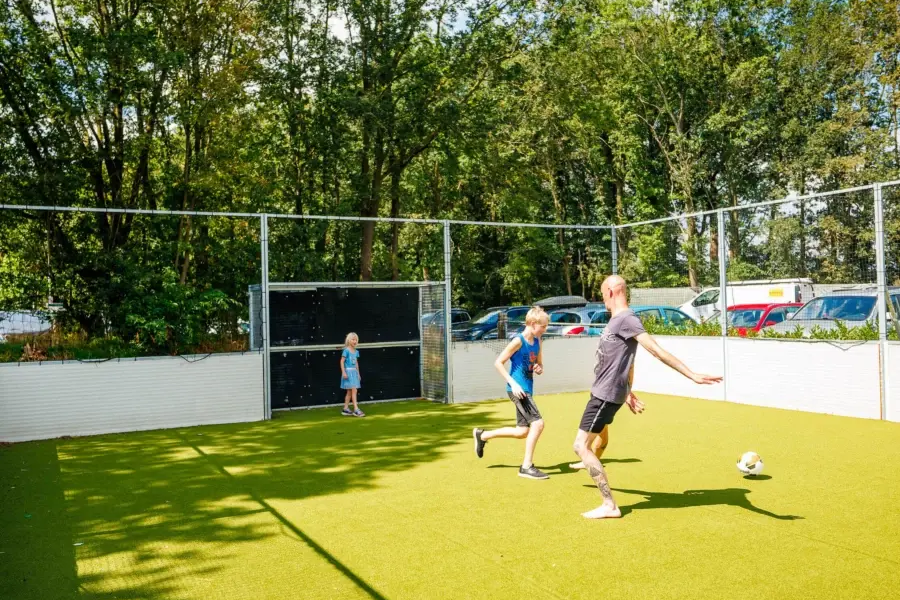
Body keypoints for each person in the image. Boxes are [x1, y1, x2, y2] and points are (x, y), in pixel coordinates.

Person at [574, 275, 722, 518]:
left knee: (580, 445)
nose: (602, 299)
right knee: (584, 445)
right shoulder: (617, 320)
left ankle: (609, 505)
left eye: (602, 293)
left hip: (605, 395)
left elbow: (655, 350)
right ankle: (605, 498)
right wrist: (628, 391)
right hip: (608, 392)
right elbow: (623, 361)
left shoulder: (626, 318)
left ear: (611, 291)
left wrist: (691, 374)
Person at [472, 306, 550, 480]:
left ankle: (482, 435)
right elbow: (498, 362)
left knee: (522, 431)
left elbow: (539, 364)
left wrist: (539, 368)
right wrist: (513, 383)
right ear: (532, 323)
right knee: (538, 424)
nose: (545, 329)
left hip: (527, 388)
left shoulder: (538, 341)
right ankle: (526, 466)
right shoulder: (518, 341)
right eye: (543, 326)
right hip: (517, 390)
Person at [340, 332, 365, 417]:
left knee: (350, 392)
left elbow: (356, 363)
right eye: (353, 339)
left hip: (354, 372)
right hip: (348, 372)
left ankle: (345, 409)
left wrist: (358, 373)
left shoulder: (356, 352)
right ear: (349, 340)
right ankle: (356, 409)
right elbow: (342, 361)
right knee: (354, 390)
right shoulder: (346, 350)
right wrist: (343, 372)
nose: (355, 341)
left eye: (356, 340)